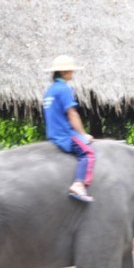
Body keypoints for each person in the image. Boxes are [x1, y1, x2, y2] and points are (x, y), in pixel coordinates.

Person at [43, 55, 95, 202]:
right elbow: (72, 114)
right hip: (65, 135)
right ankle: (79, 184)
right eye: (71, 70)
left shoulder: (50, 90)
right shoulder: (64, 89)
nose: (73, 72)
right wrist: (83, 134)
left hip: (53, 134)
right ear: (64, 72)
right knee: (88, 153)